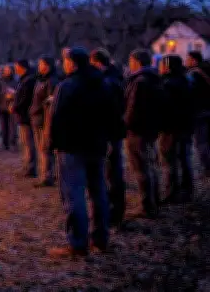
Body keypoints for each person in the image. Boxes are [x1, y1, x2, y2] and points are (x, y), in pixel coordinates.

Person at [47, 47, 112, 258]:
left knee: (73, 194)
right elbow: (111, 112)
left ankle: (78, 243)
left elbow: (57, 117)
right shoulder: (102, 83)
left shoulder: (68, 85)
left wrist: (52, 143)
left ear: (72, 63)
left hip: (72, 147)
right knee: (98, 192)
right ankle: (100, 238)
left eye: (65, 61)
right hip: (96, 145)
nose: (63, 64)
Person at [89, 48, 127, 227]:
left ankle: (115, 211)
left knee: (113, 173)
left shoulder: (108, 82)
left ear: (97, 63)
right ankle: (114, 210)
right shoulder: (114, 78)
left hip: (110, 133)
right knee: (112, 171)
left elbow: (110, 111)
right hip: (113, 132)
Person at [124, 49, 163, 219]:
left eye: (131, 61)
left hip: (138, 130)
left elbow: (133, 109)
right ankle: (154, 200)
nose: (129, 64)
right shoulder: (154, 78)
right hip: (150, 128)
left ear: (137, 61)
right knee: (150, 165)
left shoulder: (140, 81)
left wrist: (125, 124)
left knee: (141, 167)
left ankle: (146, 205)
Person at [158, 55, 194, 204]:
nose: (159, 67)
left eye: (161, 64)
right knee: (185, 158)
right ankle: (187, 189)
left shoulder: (168, 83)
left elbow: (164, 108)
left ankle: (171, 192)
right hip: (186, 125)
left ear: (167, 65)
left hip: (171, 128)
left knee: (169, 160)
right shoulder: (187, 80)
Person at [29, 56, 59, 187]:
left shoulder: (51, 81)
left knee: (45, 149)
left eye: (41, 64)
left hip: (44, 120)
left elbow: (50, 104)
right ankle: (46, 173)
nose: (39, 66)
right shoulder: (40, 79)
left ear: (47, 66)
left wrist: (48, 123)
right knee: (41, 148)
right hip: (37, 118)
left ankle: (47, 176)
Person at [185, 51, 210, 177]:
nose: (186, 61)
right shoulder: (207, 69)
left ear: (194, 60)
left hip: (199, 111)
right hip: (208, 109)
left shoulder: (193, 74)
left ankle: (208, 168)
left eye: (188, 59)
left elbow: (189, 93)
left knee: (201, 142)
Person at [13, 59, 37, 178]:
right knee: (25, 143)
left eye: (16, 66)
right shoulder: (23, 79)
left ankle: (31, 167)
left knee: (28, 143)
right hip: (22, 116)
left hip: (25, 116)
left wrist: (15, 106)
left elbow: (25, 98)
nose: (15, 69)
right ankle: (27, 165)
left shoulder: (28, 80)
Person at [0, 64, 17, 150]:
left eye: (9, 70)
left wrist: (13, 94)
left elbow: (19, 92)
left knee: (13, 126)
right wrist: (4, 94)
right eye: (6, 70)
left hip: (12, 106)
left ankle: (12, 143)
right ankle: (4, 144)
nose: (7, 71)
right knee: (3, 126)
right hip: (1, 106)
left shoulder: (16, 81)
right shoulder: (0, 81)